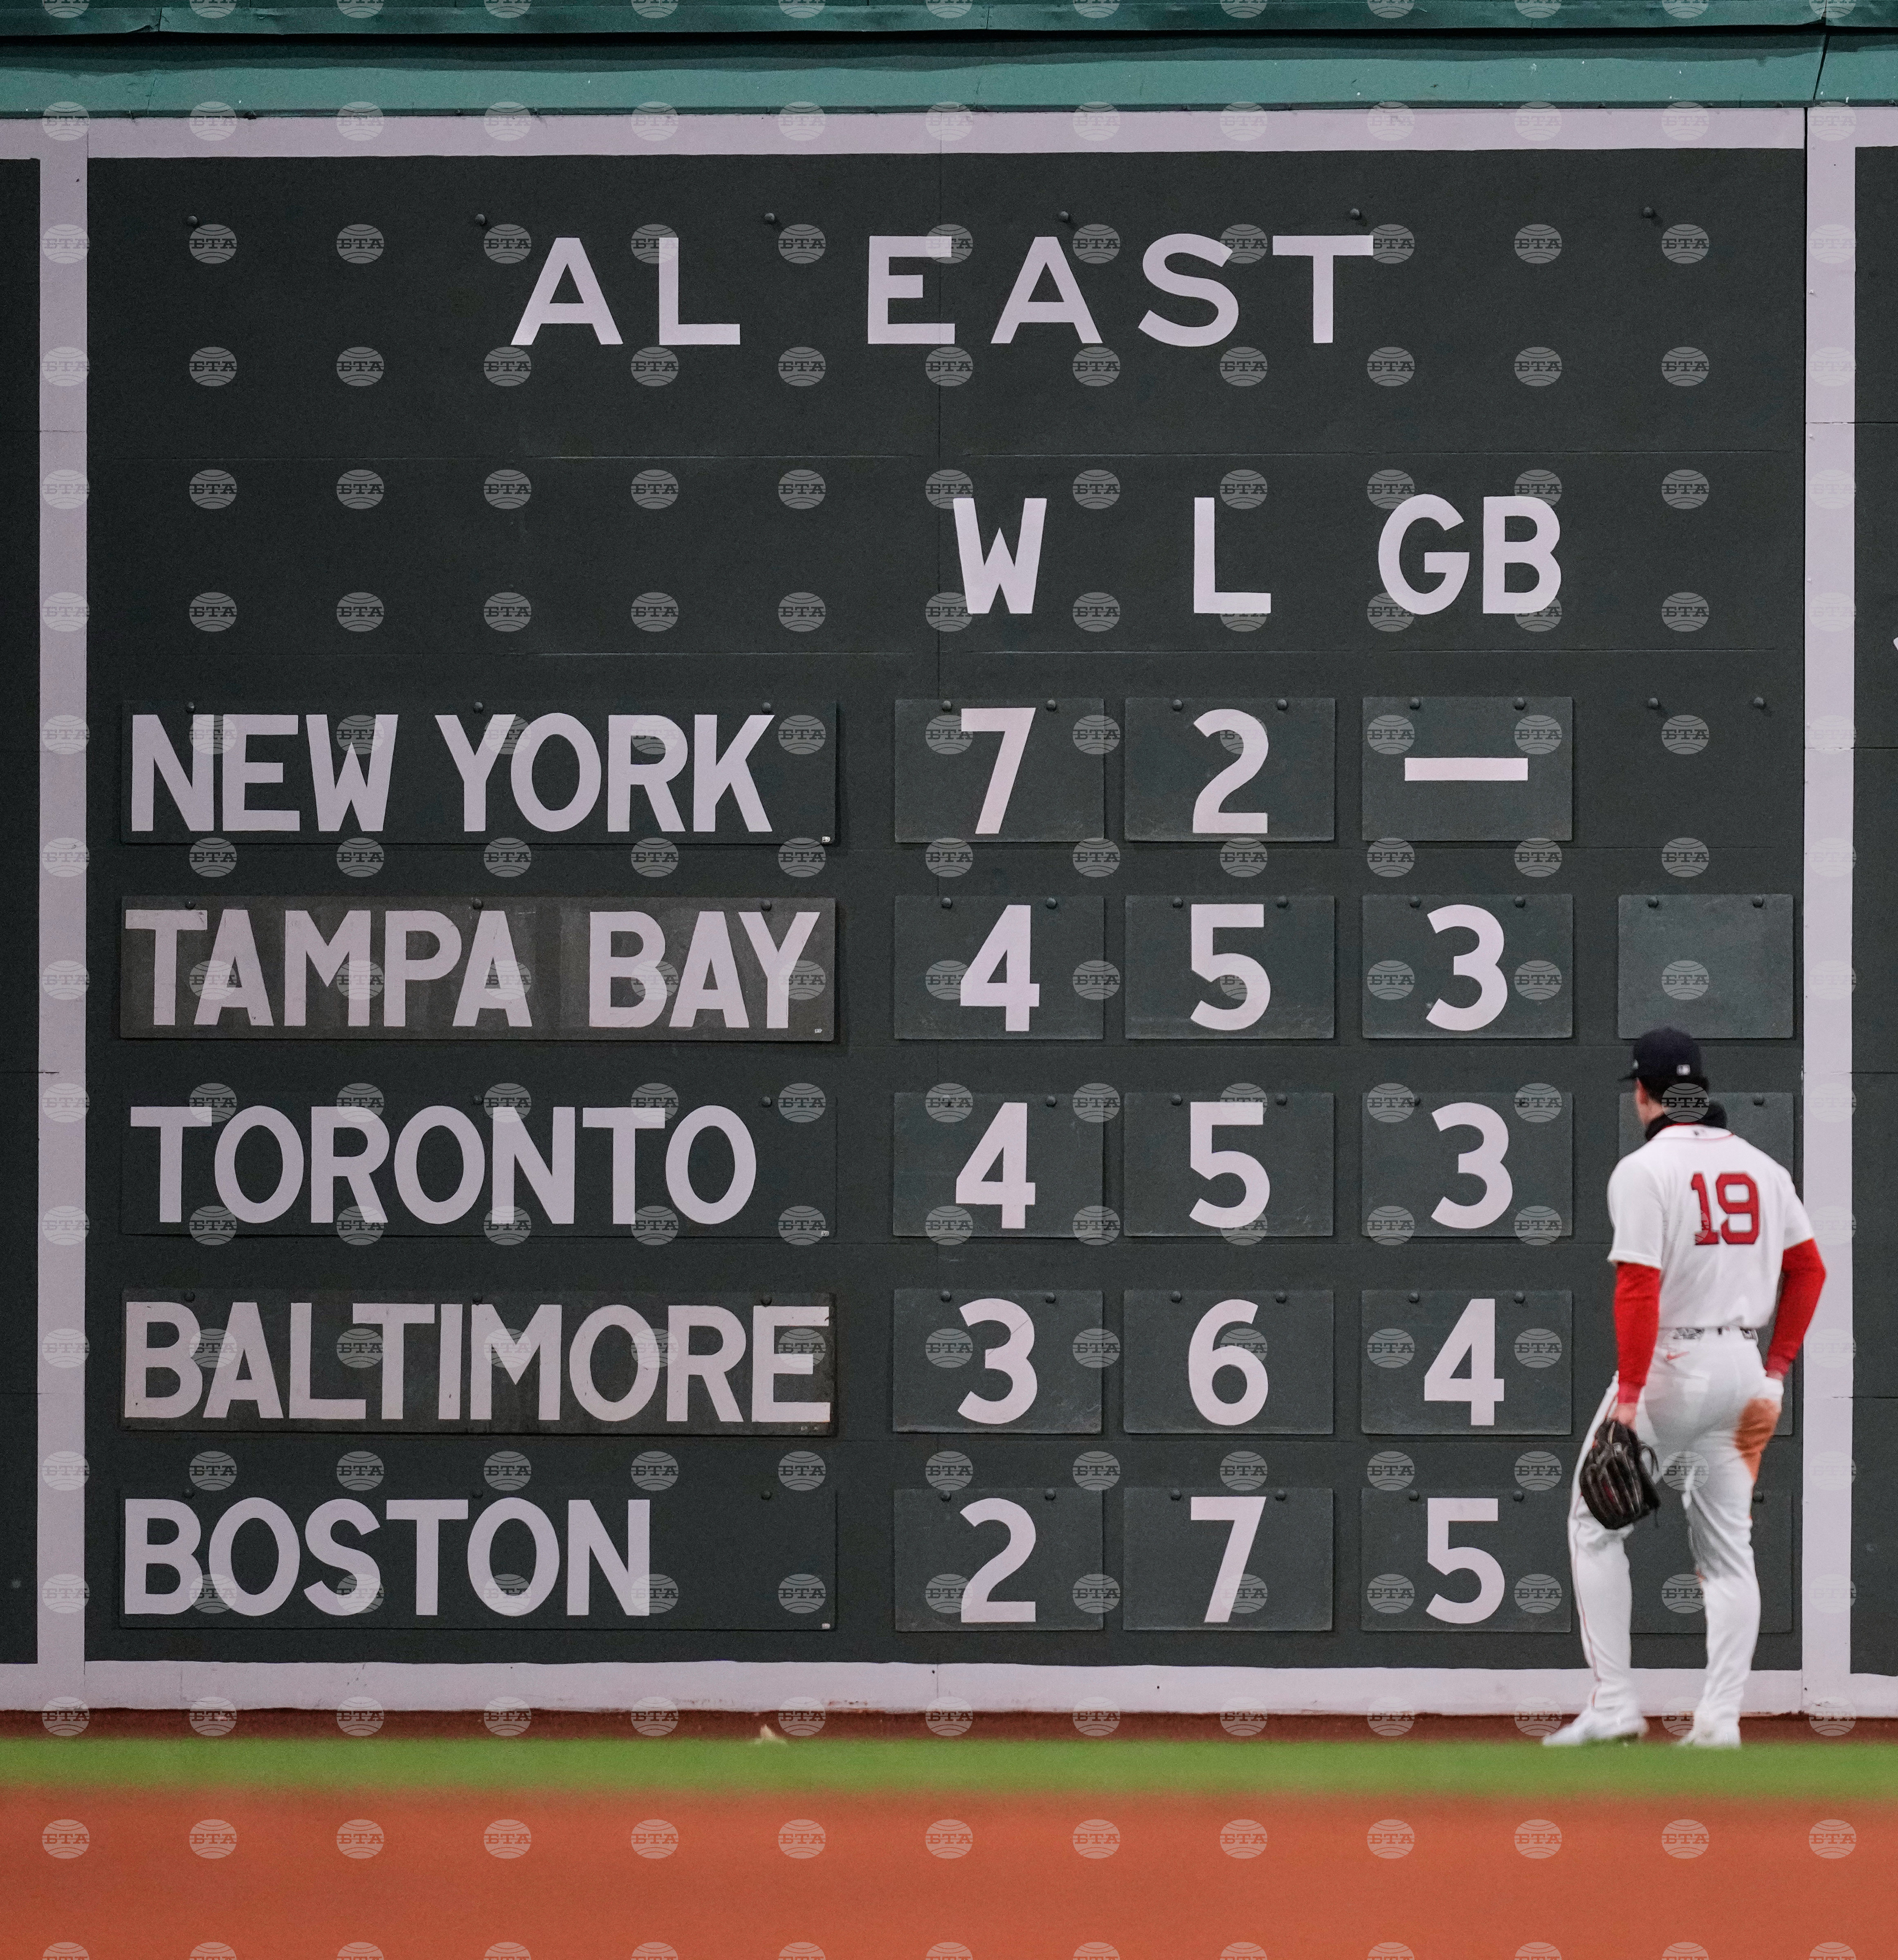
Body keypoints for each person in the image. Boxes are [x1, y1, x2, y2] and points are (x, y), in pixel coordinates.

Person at [1546, 1027, 1826, 1748]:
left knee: (1593, 1528)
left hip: (1671, 1365)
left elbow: (1637, 1287)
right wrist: (1776, 1369)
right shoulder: (1763, 1167)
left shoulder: (1643, 1170)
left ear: (1642, 1093)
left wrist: (1631, 1396)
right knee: (1729, 1552)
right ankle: (1719, 1720)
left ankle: (1614, 1705)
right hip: (1744, 1370)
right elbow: (1809, 1270)